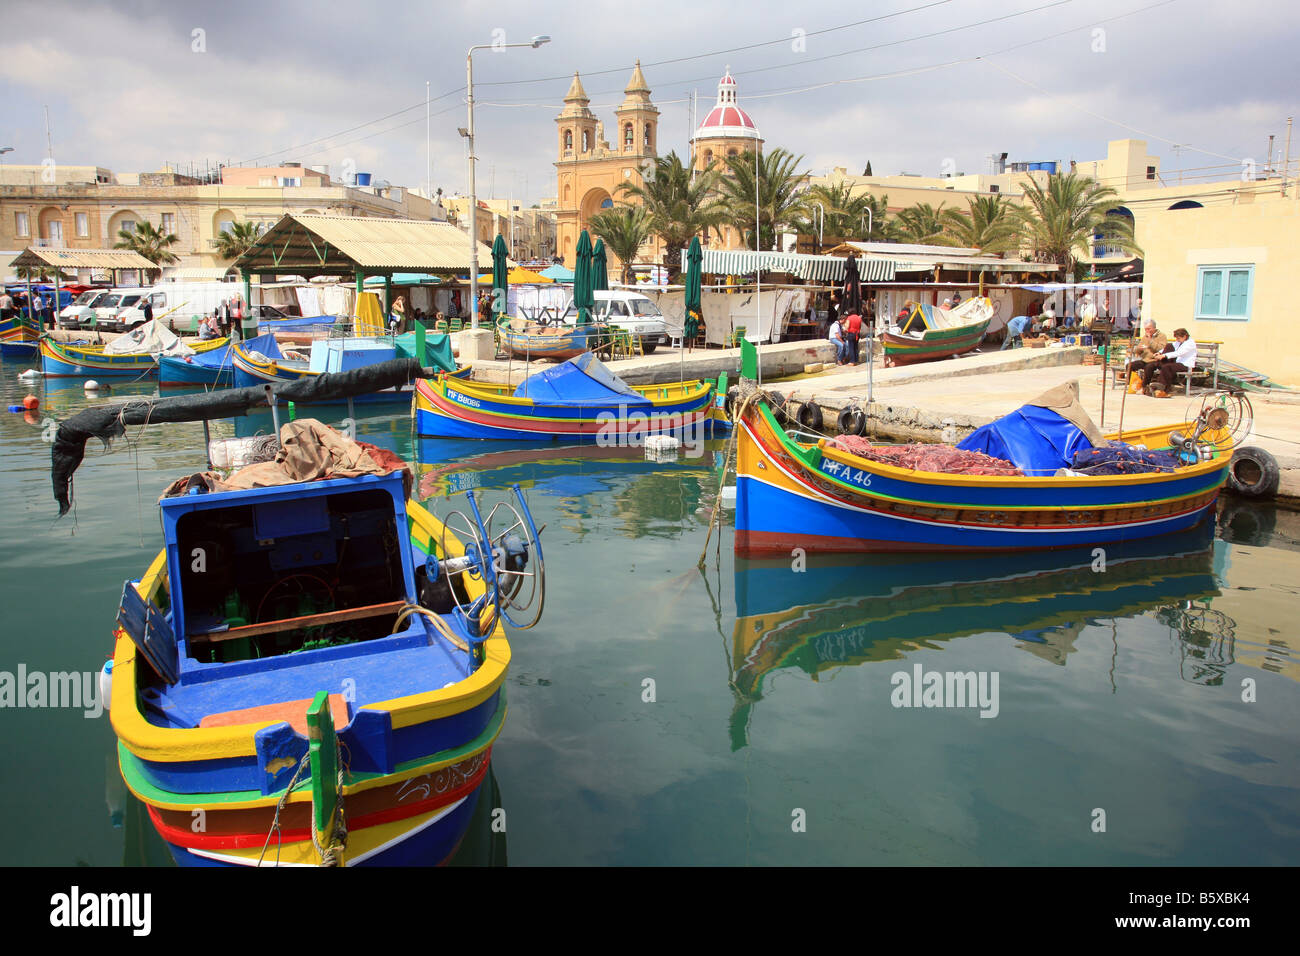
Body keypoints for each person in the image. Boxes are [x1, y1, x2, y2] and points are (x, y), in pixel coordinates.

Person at [1146, 327, 1196, 396]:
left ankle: (1164, 389)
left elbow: (1179, 353)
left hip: (1186, 365)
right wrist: (1160, 353)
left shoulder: (1190, 343)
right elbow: (1172, 345)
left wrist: (1164, 356)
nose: (1177, 340)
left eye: (1178, 338)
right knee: (1167, 349)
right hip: (1178, 363)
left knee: (1167, 367)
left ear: (1184, 336)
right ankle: (1154, 387)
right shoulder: (1180, 342)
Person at [1126, 320, 1168, 393]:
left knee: (1148, 367)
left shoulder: (1161, 336)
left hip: (1155, 360)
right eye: (1146, 329)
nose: (1147, 331)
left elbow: (1161, 349)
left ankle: (1144, 386)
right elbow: (1136, 351)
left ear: (1154, 328)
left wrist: (1150, 341)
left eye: (1149, 329)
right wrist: (1139, 348)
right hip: (1145, 359)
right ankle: (1132, 385)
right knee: (1130, 365)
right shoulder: (1145, 337)